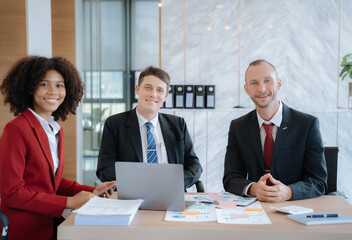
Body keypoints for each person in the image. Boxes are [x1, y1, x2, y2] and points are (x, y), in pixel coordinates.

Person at [0, 56, 116, 240]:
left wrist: (91, 190)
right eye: (44, 84)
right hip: (24, 229)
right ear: (30, 88)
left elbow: (52, 181)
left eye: (59, 85)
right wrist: (70, 202)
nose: (53, 91)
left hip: (49, 223)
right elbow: (11, 193)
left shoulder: (54, 129)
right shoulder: (16, 129)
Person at [223, 59, 327, 202]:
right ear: (246, 89)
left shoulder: (307, 125)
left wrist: (289, 192)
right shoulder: (238, 127)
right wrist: (253, 188)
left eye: (267, 81)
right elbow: (230, 178)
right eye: (254, 83)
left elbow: (318, 181)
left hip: (296, 207)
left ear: (278, 83)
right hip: (255, 209)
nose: (262, 89)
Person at [96, 66, 202, 188]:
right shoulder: (114, 124)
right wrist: (144, 178)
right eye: (148, 88)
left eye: (160, 90)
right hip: (132, 194)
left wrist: (175, 179)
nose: (153, 94)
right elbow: (104, 170)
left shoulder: (178, 124)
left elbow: (195, 166)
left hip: (171, 191)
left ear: (166, 96)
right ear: (137, 89)